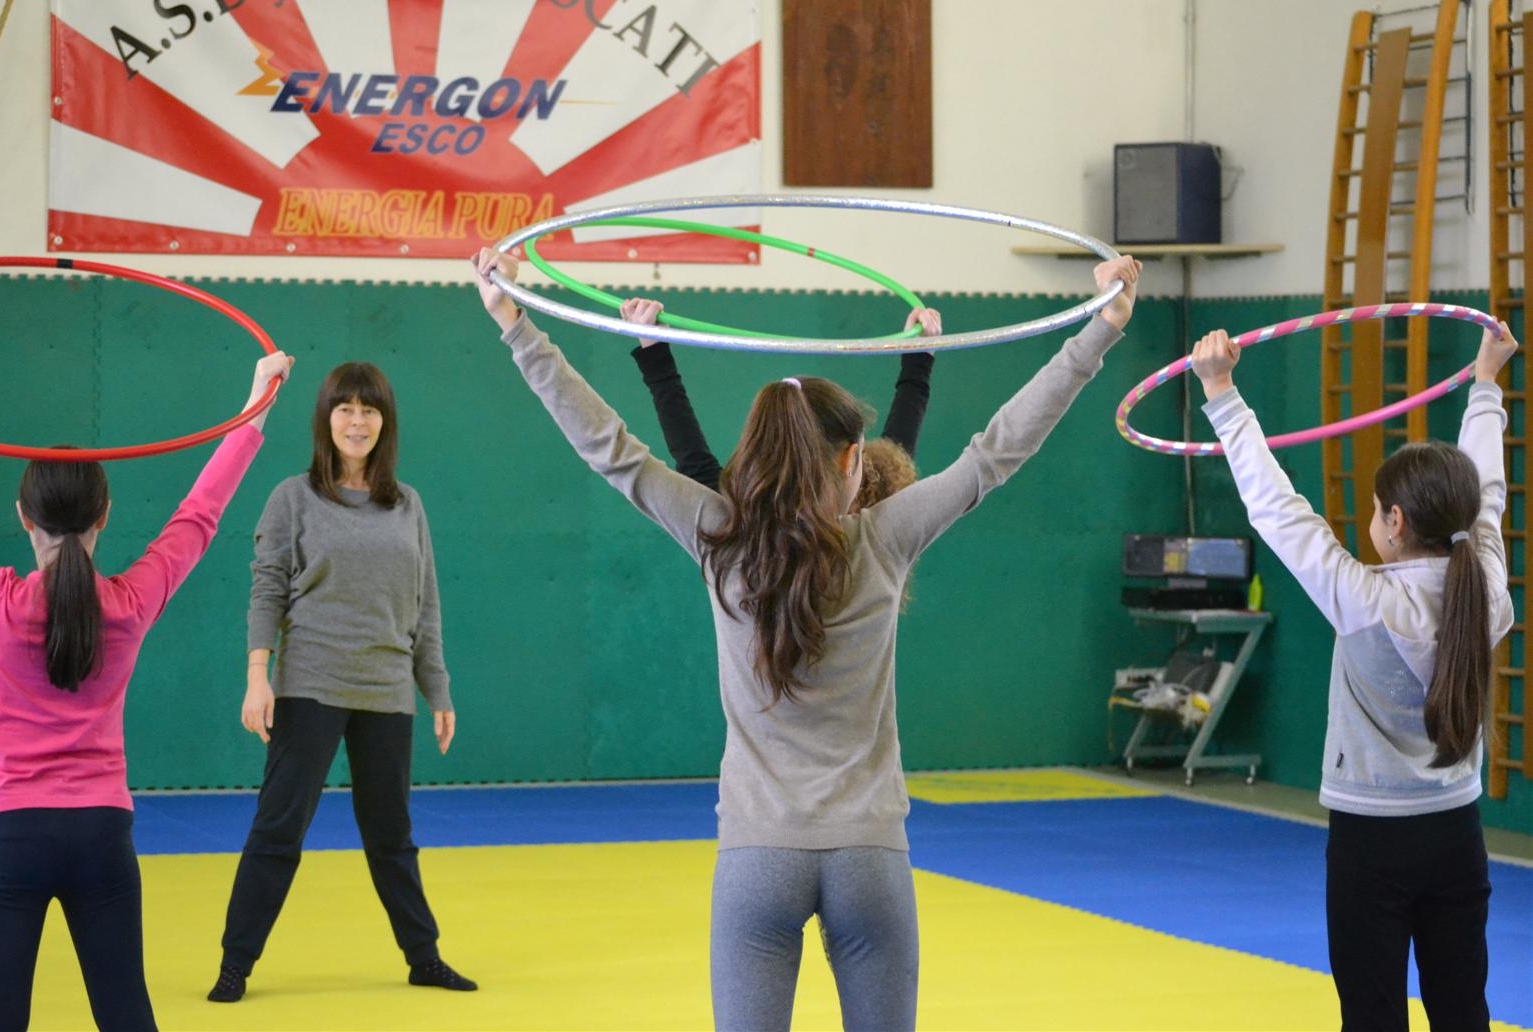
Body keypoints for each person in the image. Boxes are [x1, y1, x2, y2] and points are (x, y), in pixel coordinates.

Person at [472, 247, 1139, 1030]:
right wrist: (1103, 326)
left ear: (752, 461)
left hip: (758, 858)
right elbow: (996, 451)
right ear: (856, 462)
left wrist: (514, 321)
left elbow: (609, 448)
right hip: (870, 857)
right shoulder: (885, 537)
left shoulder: (716, 533)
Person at [0, 351, 292, 1031]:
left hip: (9, 837)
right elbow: (198, 517)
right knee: (125, 1017)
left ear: (23, 518)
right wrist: (256, 403)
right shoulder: (130, 602)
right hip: (100, 836)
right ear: (105, 515)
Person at [1190, 324, 1517, 1032]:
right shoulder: (1487, 589)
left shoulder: (1366, 602)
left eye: (1373, 511)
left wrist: (1221, 392)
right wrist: (1485, 385)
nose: (1370, 520)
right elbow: (1487, 495)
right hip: (1459, 831)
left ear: (1394, 523)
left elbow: (1278, 511)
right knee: (1464, 1010)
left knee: (1371, 1016)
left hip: (1372, 842)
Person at [209, 361, 473, 1003]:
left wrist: (435, 687)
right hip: (309, 687)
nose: (358, 421)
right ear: (326, 418)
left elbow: (425, 603)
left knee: (392, 837)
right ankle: (235, 965)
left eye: (370, 409)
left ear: (386, 422)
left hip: (386, 690)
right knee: (278, 830)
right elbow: (266, 589)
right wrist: (256, 675)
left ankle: (423, 957)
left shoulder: (408, 504)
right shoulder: (292, 497)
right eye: (346, 408)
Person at [618, 298, 941, 504]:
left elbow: (686, 457)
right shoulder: (881, 526)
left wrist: (654, 351)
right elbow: (902, 452)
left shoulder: (727, 520)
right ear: (850, 459)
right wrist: (920, 359)